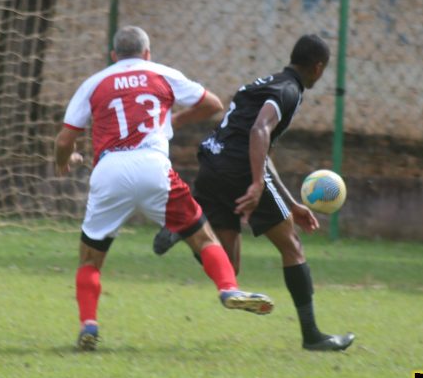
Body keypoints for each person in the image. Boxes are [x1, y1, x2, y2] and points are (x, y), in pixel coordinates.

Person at [54, 25, 275, 351]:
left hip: (109, 171)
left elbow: (64, 140)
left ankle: (89, 325)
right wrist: (176, 120)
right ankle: (228, 288)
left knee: (90, 258)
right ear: (147, 53)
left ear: (113, 55)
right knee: (203, 237)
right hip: (153, 168)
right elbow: (213, 104)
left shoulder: (94, 83)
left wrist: (64, 160)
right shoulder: (161, 74)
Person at [153, 34, 354, 351]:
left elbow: (260, 145)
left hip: (213, 164)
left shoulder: (262, 84)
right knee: (292, 246)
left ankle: (187, 228)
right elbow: (259, 131)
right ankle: (312, 336)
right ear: (318, 68)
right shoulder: (289, 91)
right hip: (240, 170)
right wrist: (257, 183)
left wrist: (291, 203)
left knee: (229, 268)